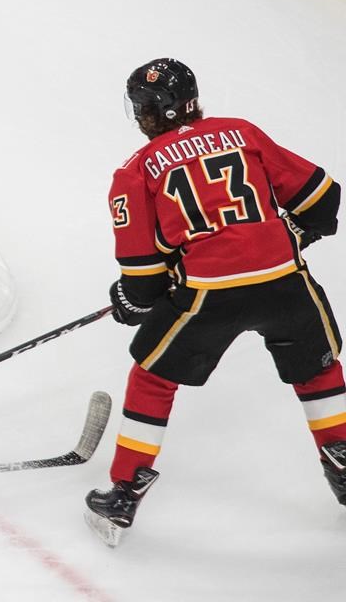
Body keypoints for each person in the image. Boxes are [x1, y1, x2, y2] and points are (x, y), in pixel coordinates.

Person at [85, 58, 346, 547]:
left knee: (153, 377)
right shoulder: (242, 134)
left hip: (209, 294)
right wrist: (288, 234)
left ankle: (124, 491)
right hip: (285, 282)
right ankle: (343, 460)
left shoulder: (137, 171)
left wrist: (130, 300)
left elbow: (143, 280)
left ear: (147, 112)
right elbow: (323, 198)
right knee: (317, 368)